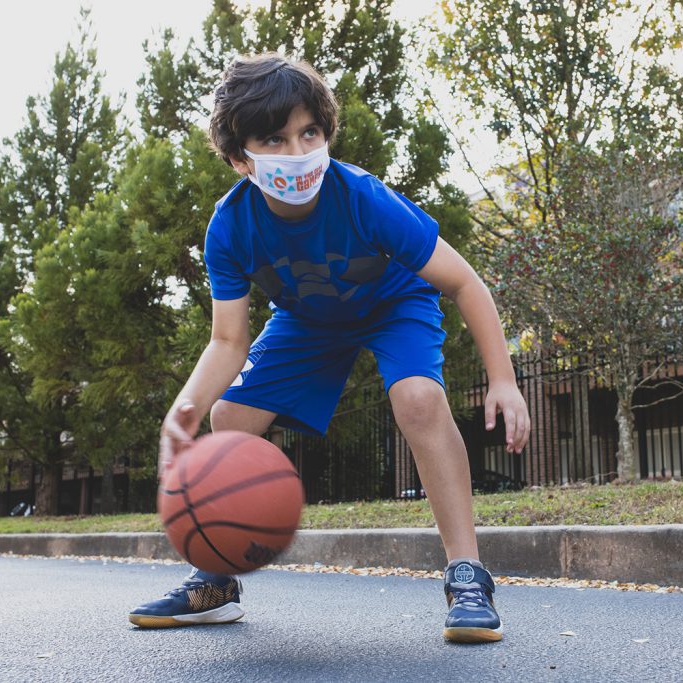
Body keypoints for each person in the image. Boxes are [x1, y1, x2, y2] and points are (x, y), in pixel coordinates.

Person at [128, 53, 531, 643]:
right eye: (275, 139)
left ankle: (467, 574)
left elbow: (464, 281)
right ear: (242, 159)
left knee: (418, 398)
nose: (298, 152)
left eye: (308, 132)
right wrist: (184, 406)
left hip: (393, 303)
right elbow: (228, 339)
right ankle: (216, 579)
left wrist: (503, 378)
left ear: (325, 133)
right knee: (230, 413)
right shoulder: (231, 226)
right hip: (310, 317)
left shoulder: (362, 197)